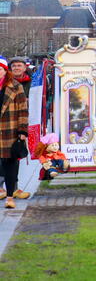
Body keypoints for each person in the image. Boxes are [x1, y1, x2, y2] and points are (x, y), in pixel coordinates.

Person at [0, 56, 30, 208]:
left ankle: (10, 197)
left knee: (10, 164)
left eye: (0, 69)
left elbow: (23, 110)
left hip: (9, 130)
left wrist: (22, 131)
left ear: (5, 71)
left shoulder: (15, 86)